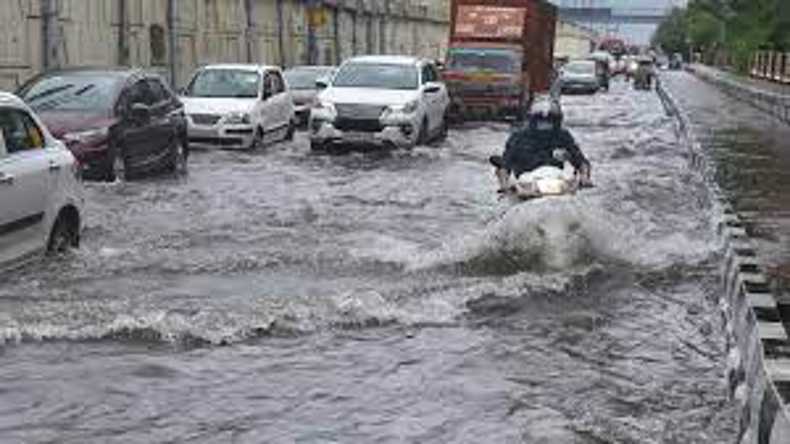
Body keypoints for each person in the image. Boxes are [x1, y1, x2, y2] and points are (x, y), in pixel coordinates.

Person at [489, 100, 592, 196]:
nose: (545, 126)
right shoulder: (518, 137)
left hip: (557, 177)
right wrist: (504, 184)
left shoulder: (562, 136)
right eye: (541, 123)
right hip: (526, 183)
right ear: (532, 121)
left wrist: (585, 178)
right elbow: (505, 164)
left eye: (550, 122)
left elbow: (580, 160)